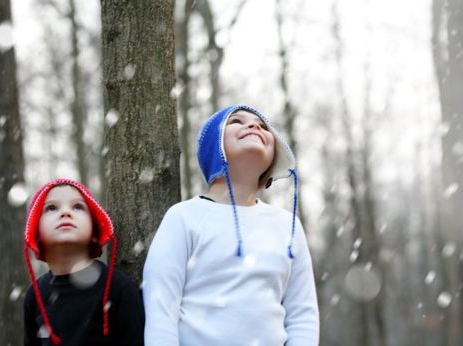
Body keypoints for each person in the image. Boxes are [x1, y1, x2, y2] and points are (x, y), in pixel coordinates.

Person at [143, 105, 319, 345]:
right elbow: (161, 307)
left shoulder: (287, 225)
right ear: (214, 147)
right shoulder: (183, 217)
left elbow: (302, 314)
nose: (254, 125)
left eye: (263, 125)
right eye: (236, 121)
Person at [23, 178, 145, 346]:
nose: (65, 213)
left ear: (95, 231)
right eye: (51, 208)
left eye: (78, 207)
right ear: (37, 234)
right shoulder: (34, 296)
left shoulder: (119, 288)